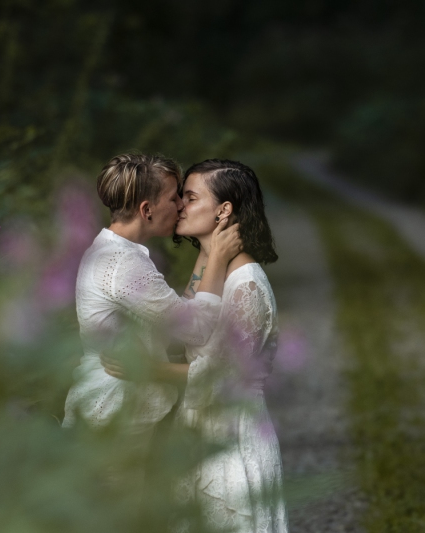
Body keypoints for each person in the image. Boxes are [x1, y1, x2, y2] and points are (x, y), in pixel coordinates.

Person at [103, 159, 288, 533]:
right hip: (197, 432)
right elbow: (187, 330)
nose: (180, 206)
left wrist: (143, 370)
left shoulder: (246, 283)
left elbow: (223, 376)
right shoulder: (211, 270)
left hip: (233, 436)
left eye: (190, 197)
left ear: (223, 210)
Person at [62, 154, 242, 478]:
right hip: (113, 420)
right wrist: (218, 256)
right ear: (147, 210)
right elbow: (197, 329)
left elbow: (179, 317)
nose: (180, 206)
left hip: (113, 414)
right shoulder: (123, 265)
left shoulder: (115, 252)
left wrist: (205, 252)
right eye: (174, 197)